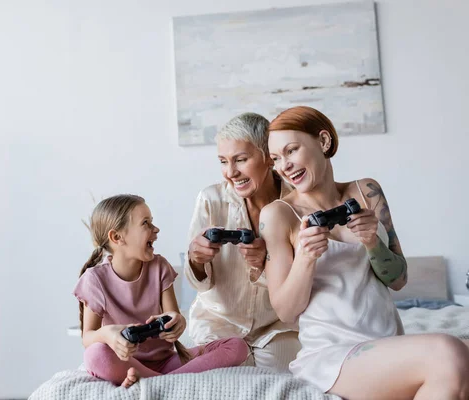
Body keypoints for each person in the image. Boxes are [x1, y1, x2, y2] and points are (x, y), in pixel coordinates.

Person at [260, 105, 469, 399]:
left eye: (291, 151)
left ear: (323, 141)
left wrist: (372, 242)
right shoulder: (278, 215)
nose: (285, 166)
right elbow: (286, 310)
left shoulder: (367, 191)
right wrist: (306, 258)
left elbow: (398, 279)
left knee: (458, 365)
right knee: (448, 350)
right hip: (334, 356)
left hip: (389, 347)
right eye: (276, 159)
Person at [73, 194, 248, 388]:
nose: (155, 229)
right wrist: (107, 334)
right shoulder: (95, 279)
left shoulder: (159, 267)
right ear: (117, 237)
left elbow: (173, 315)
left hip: (166, 363)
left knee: (237, 346)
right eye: (145, 223)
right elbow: (88, 337)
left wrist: (177, 323)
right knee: (94, 354)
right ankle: (167, 381)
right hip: (125, 363)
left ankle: (156, 382)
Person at [185, 112, 300, 372]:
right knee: (223, 375)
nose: (230, 172)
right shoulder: (210, 199)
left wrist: (265, 264)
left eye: (241, 160)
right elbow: (196, 283)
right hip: (217, 322)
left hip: (278, 327)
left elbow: (304, 284)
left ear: (268, 158)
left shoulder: (297, 204)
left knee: (282, 376)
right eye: (223, 161)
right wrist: (195, 259)